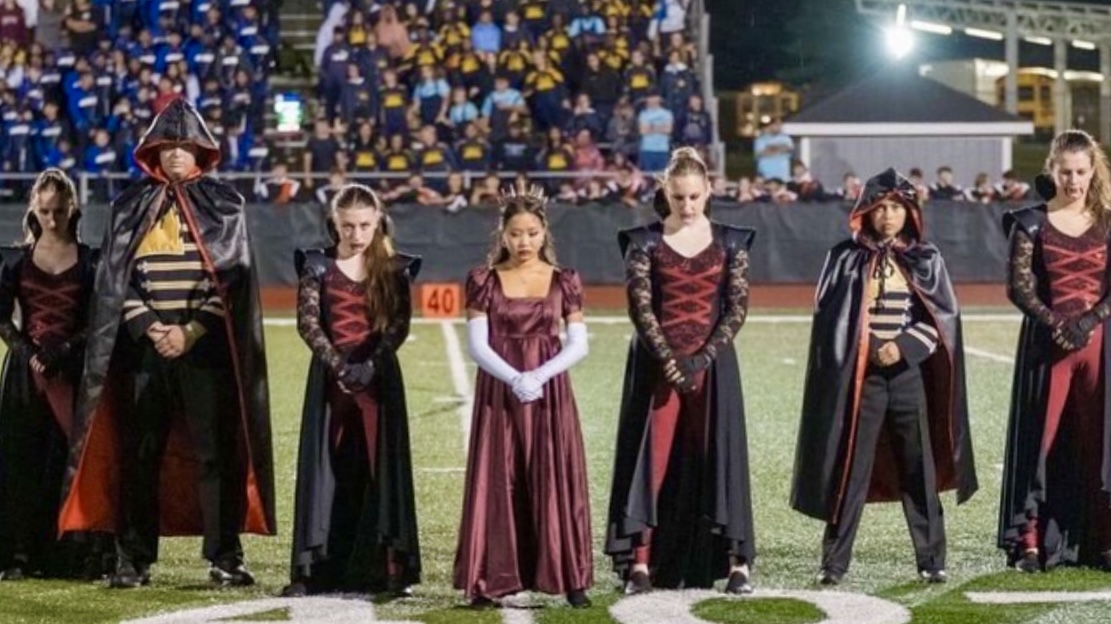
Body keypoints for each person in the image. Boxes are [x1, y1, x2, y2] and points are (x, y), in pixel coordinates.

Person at [56, 98, 276, 588]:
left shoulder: (226, 206)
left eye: (185, 145)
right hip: (145, 350)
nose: (176, 153)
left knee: (214, 453)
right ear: (152, 151)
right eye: (167, 145)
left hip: (204, 349)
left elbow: (231, 282)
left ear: (203, 151)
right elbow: (117, 280)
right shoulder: (129, 206)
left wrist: (191, 329)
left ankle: (224, 556)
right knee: (140, 452)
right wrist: (153, 328)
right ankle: (133, 557)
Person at [791, 168, 978, 585]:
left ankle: (932, 560)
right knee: (850, 470)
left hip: (908, 377)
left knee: (919, 468)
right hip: (862, 380)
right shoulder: (844, 257)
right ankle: (834, 562)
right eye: (881, 208)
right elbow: (832, 319)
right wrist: (869, 345)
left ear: (909, 212)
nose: (889, 215)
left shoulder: (925, 258)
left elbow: (941, 320)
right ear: (867, 211)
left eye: (896, 207)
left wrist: (905, 346)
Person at [605, 147, 757, 595]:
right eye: (678, 198)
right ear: (664, 192)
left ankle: (736, 563)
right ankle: (641, 563)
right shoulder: (644, 241)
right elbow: (641, 307)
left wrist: (702, 359)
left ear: (709, 190)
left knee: (719, 457)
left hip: (713, 366)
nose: (687, 206)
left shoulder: (731, 240)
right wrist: (672, 362)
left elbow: (736, 307)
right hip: (657, 367)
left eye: (694, 197)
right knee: (650, 460)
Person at [453, 187, 593, 609]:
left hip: (549, 395)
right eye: (516, 234)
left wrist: (539, 376)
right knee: (499, 477)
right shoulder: (483, 280)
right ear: (503, 234)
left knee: (554, 476)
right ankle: (488, 578)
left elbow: (579, 342)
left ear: (544, 231)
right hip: (500, 393)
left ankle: (570, 578)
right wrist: (515, 378)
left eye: (532, 232)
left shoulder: (565, 280)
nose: (524, 242)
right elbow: (478, 344)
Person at [284, 184, 422, 597]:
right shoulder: (316, 264)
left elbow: (397, 325)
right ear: (335, 225)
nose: (356, 234)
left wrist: (369, 366)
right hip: (330, 380)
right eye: (348, 226)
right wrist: (340, 366)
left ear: (377, 222)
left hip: (378, 381)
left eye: (364, 225)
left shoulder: (394, 268)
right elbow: (308, 322)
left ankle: (390, 568)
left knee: (381, 467)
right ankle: (315, 570)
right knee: (327, 468)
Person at [998, 129, 1111, 572]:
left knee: (1099, 443)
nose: (1073, 180)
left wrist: (1087, 321)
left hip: (1098, 345)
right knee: (1039, 441)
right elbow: (1018, 287)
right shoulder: (1031, 222)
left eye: (1081, 171)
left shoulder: (1107, 222)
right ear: (1052, 170)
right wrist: (1056, 323)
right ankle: (1029, 542)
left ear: (1092, 171)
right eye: (1065, 172)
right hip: (1049, 347)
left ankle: (1102, 540)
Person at [0, 170, 100, 581]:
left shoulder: (90, 260)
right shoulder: (14, 260)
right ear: (33, 211)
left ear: (72, 208)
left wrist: (64, 350)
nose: (53, 219)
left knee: (68, 464)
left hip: (72, 376)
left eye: (60, 211)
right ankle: (18, 553)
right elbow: (2, 319)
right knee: (20, 463)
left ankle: (69, 556)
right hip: (26, 377)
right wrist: (27, 351)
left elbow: (96, 321)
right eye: (45, 211)